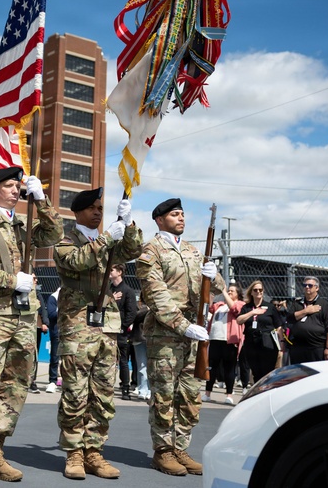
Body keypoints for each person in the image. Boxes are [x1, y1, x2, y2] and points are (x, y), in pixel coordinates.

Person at [0, 165, 63, 484]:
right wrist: (10, 280)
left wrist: (41, 199)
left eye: (18, 186)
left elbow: (55, 234)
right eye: (8, 185)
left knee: (15, 383)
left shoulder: (23, 225)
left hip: (23, 317)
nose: (15, 190)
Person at [53, 188, 141, 479]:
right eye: (92, 208)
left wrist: (128, 224)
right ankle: (74, 454)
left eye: (101, 208)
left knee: (103, 394)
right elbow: (77, 262)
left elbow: (133, 251)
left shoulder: (110, 241)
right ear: (77, 212)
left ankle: (94, 452)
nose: (98, 212)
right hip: (78, 326)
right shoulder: (66, 242)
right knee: (75, 393)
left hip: (106, 327)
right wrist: (106, 239)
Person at [136, 198, 218, 477]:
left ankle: (180, 447)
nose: (181, 217)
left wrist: (215, 275)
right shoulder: (151, 251)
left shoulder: (193, 251)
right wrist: (184, 326)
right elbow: (156, 296)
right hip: (165, 334)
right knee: (165, 395)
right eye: (174, 214)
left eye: (182, 213)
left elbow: (213, 288)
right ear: (160, 220)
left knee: (190, 395)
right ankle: (163, 451)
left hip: (193, 334)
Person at [205, 281, 244, 405]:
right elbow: (209, 307)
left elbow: (235, 309)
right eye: (228, 290)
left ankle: (229, 394)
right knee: (212, 367)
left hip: (229, 341)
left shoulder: (240, 304)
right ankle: (207, 393)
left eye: (232, 291)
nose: (229, 292)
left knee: (229, 368)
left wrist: (223, 291)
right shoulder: (220, 305)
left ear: (238, 294)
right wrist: (211, 292)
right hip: (215, 339)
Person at [237, 280, 283, 381]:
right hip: (251, 342)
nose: (258, 292)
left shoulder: (270, 307)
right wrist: (252, 312)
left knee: (267, 372)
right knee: (256, 372)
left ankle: (266, 389)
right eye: (255, 290)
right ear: (251, 292)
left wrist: (282, 343)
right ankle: (258, 389)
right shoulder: (247, 307)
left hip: (267, 341)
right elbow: (239, 320)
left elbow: (279, 326)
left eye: (260, 290)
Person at [285, 276, 328, 364]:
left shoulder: (324, 305)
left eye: (310, 285)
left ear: (317, 288)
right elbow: (290, 318)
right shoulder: (297, 303)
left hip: (317, 348)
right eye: (305, 285)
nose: (307, 287)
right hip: (298, 347)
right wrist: (306, 311)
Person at [109, 262, 138, 401]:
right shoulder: (108, 290)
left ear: (120, 272)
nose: (109, 272)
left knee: (123, 360)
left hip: (120, 331)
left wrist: (122, 327)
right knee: (106, 360)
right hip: (106, 330)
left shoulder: (127, 291)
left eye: (112, 269)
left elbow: (132, 312)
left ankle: (125, 388)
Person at [30, 280, 51, 394]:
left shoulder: (37, 293)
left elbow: (43, 308)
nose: (36, 280)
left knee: (35, 355)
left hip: (35, 327)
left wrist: (44, 322)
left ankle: (32, 381)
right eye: (33, 278)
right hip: (22, 326)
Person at [131, 301, 151, 400]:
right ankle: (142, 390)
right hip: (139, 338)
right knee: (141, 366)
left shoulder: (159, 305)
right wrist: (147, 310)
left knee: (151, 366)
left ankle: (150, 391)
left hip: (152, 339)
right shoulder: (138, 305)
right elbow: (134, 317)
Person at [44, 288, 60, 393]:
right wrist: (64, 310)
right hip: (57, 332)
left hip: (72, 332)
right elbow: (51, 314)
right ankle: (52, 381)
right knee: (54, 358)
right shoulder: (54, 297)